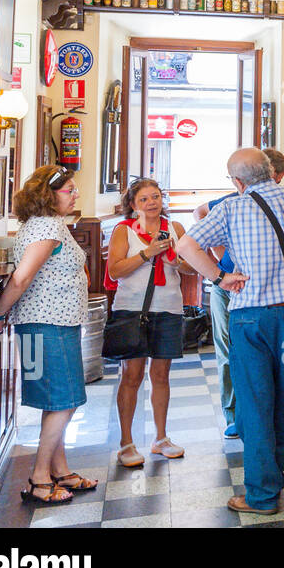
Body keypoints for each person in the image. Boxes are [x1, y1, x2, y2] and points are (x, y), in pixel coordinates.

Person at [177, 148, 284, 515]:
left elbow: (186, 245)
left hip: (250, 322)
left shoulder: (231, 207)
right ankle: (273, 477)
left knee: (255, 404)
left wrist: (220, 277)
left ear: (238, 181)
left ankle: (261, 495)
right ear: (271, 171)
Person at [0, 166, 97, 506]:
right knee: (64, 400)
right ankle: (38, 479)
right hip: (47, 326)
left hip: (48, 324)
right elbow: (20, 279)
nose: (75, 194)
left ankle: (59, 470)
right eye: (69, 190)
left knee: (55, 401)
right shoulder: (47, 226)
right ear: (48, 195)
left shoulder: (42, 225)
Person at [192, 147, 284, 439]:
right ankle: (235, 415)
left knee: (260, 358)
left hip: (263, 292)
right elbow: (198, 214)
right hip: (229, 287)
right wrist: (221, 261)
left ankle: (259, 417)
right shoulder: (232, 202)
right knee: (228, 351)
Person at [106, 177, 196, 468]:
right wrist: (147, 254)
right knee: (131, 375)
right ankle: (126, 442)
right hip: (131, 308)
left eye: (155, 196)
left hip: (168, 307)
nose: (152, 203)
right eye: (144, 199)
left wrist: (174, 261)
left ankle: (161, 437)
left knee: (161, 375)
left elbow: (191, 267)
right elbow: (116, 270)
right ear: (133, 205)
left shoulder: (175, 228)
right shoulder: (123, 231)